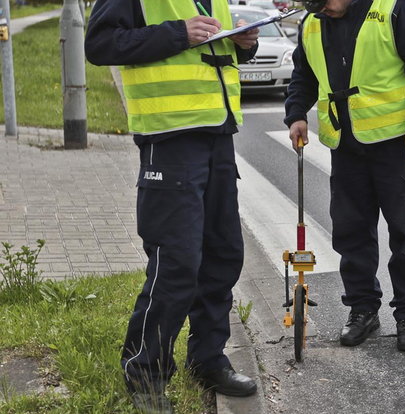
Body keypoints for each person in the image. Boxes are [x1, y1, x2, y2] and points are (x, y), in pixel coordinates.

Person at [85, 0, 259, 412]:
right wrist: (178, 33)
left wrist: (243, 44)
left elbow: (213, 53)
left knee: (222, 255)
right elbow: (100, 44)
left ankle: (207, 359)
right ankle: (144, 371)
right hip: (170, 140)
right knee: (176, 263)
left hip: (219, 134)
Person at [283, 0, 405, 352]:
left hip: (396, 145)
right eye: (317, 5)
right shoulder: (313, 21)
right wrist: (295, 113)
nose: (325, 10)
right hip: (346, 146)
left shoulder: (394, 7)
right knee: (351, 231)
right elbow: (304, 74)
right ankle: (362, 308)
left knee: (404, 231)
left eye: (328, 3)